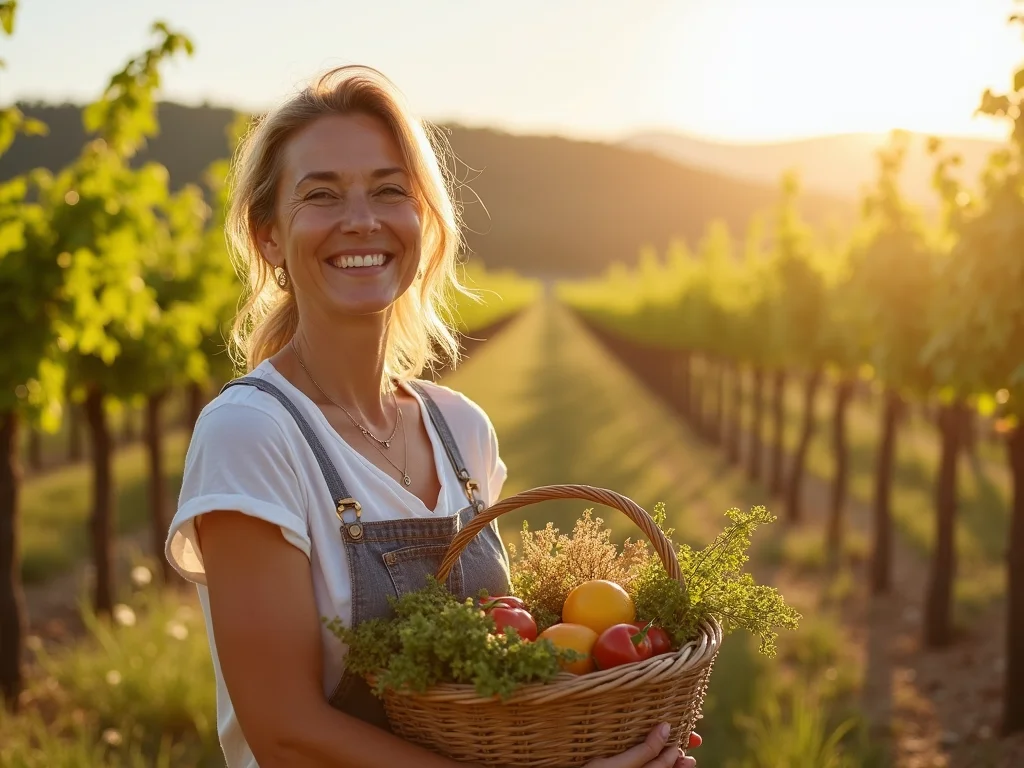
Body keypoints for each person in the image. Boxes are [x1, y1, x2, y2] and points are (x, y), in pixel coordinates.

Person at [165, 65, 701, 768]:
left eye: (390, 190)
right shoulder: (254, 434)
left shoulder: (462, 430)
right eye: (322, 194)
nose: (361, 218)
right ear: (269, 238)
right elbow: (285, 731)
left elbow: (493, 695)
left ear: (423, 219)